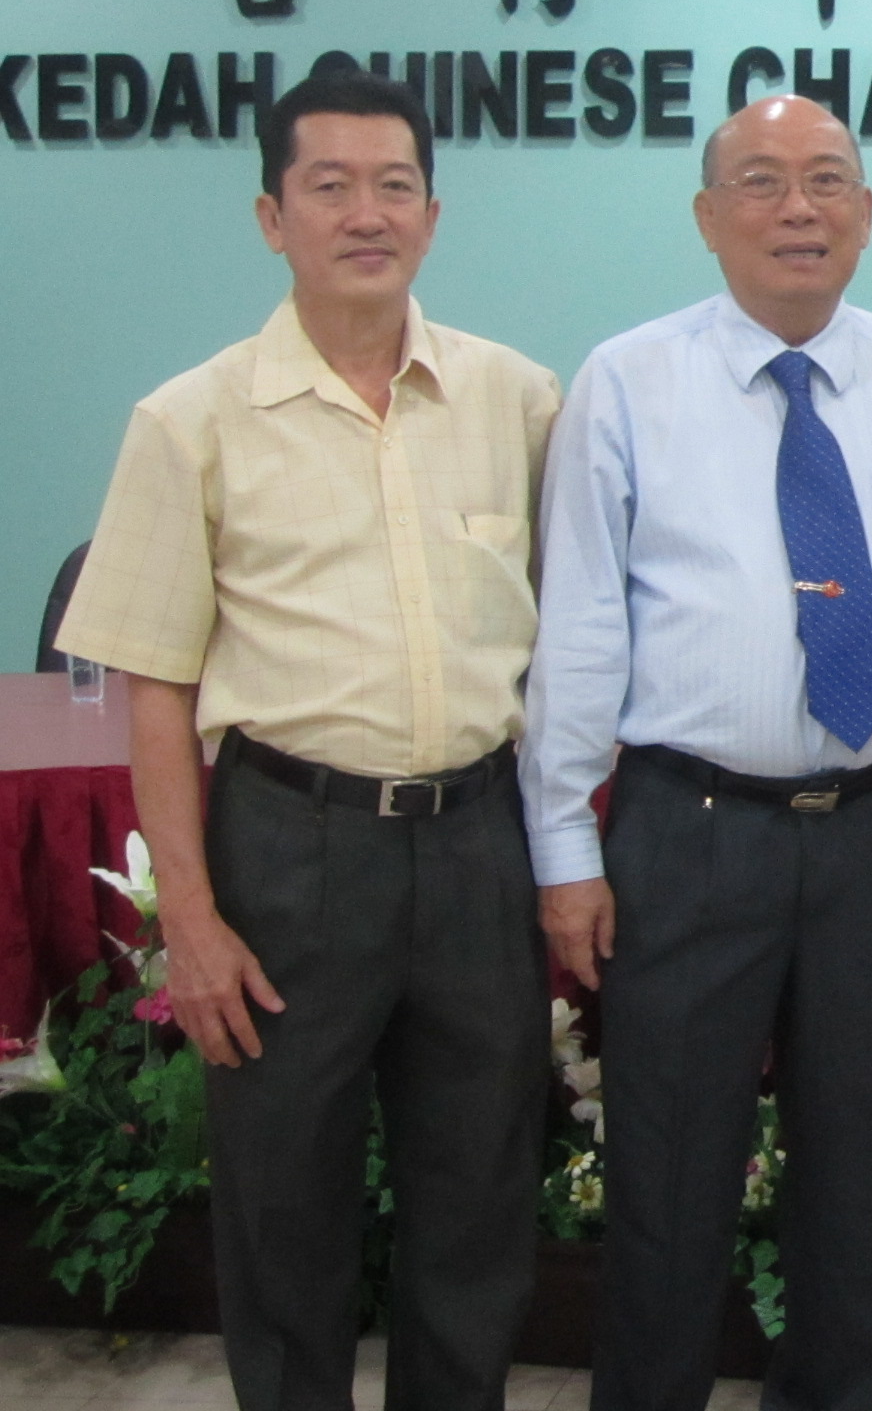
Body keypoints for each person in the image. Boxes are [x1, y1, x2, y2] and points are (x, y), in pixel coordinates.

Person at [54, 70, 560, 1411]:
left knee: (478, 1203)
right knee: (284, 1213)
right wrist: (191, 920)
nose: (365, 213)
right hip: (289, 851)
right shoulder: (191, 420)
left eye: (394, 185)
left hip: (478, 846)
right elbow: (155, 685)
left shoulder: (518, 401)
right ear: (272, 217)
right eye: (328, 187)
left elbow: (579, 638)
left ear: (434, 215)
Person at [520, 95, 872, 1411]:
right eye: (760, 181)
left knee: (855, 1183)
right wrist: (564, 843)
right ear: (707, 216)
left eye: (826, 180)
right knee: (669, 1182)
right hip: (691, 832)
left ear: (866, 213)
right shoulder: (628, 381)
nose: (797, 208)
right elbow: (580, 622)